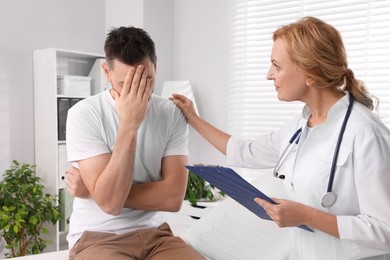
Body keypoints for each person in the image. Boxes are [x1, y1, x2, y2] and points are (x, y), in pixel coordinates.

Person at [170, 17, 390, 260]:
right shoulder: (301, 126)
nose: (269, 75)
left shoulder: (366, 133)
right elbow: (246, 151)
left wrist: (307, 216)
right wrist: (192, 117)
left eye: (277, 66)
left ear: (310, 73)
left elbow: (385, 230)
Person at [65, 26, 205, 260]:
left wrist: (94, 191)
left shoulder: (172, 113)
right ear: (106, 72)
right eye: (125, 83)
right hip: (98, 237)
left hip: (155, 236)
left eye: (146, 79)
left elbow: (172, 198)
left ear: (156, 67)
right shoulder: (83, 114)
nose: (137, 92)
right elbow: (110, 204)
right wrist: (129, 123)